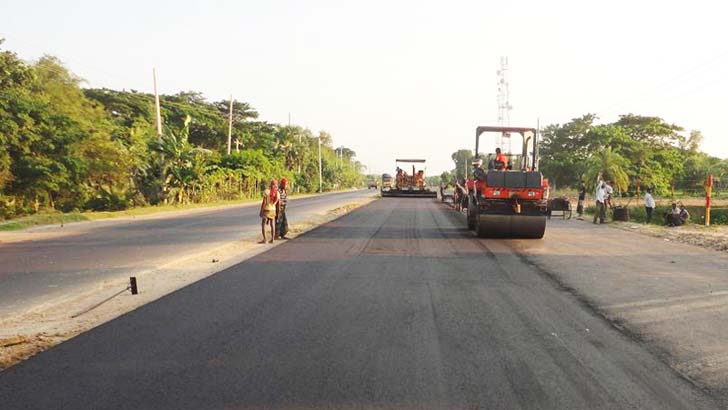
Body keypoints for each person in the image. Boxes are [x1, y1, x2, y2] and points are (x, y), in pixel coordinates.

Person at [259, 179, 279, 243]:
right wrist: (277, 212)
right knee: (272, 224)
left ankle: (265, 239)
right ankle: (272, 239)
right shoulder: (277, 193)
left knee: (263, 224)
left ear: (270, 184)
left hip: (266, 209)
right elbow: (277, 204)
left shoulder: (266, 192)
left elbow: (264, 202)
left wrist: (261, 211)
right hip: (273, 210)